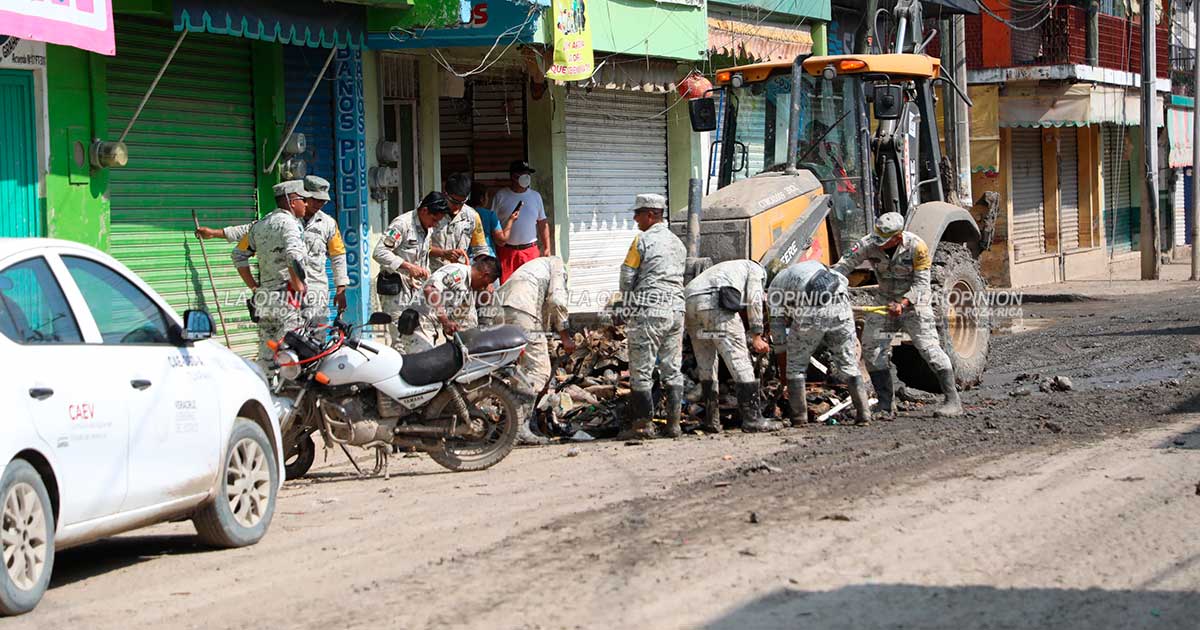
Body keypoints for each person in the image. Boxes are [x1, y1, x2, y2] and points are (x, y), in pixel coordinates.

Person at [833, 211, 962, 417]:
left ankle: (953, 400)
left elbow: (922, 284)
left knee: (929, 349)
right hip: (884, 301)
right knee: (872, 349)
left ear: (898, 237)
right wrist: (827, 281)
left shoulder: (917, 247)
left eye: (885, 241)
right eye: (878, 240)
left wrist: (903, 303)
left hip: (914, 303)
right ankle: (885, 405)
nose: (879, 245)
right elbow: (843, 265)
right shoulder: (868, 243)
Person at [195, 175, 348, 325]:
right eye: (315, 199)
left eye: (323, 201)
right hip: (287, 296)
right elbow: (250, 230)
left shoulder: (328, 223)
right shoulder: (280, 221)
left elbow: (338, 255)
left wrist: (341, 289)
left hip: (316, 293)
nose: (319, 204)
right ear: (302, 196)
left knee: (317, 340)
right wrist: (215, 233)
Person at [768, 259, 872, 426]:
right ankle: (864, 414)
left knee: (796, 367)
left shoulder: (775, 285)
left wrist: (782, 360)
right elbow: (842, 280)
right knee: (848, 363)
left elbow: (776, 325)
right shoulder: (812, 264)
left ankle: (799, 418)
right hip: (841, 305)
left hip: (812, 310)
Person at [683, 259, 780, 433]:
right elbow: (754, 298)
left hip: (689, 302)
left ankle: (711, 420)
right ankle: (753, 419)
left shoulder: (729, 267)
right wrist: (757, 335)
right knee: (739, 360)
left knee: (706, 362)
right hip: (713, 303)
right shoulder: (756, 270)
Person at [618, 193, 686, 439]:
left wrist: (626, 305)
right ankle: (674, 425)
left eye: (637, 214)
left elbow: (627, 277)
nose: (635, 219)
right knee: (672, 368)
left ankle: (643, 426)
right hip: (677, 311)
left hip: (649, 311)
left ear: (650, 215)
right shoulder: (678, 243)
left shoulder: (641, 240)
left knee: (641, 370)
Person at [489, 256, 576, 445]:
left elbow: (543, 314)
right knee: (537, 372)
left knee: (519, 372)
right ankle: (519, 429)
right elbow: (556, 302)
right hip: (522, 309)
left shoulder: (537, 269)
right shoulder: (558, 266)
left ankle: (509, 423)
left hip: (502, 308)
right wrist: (565, 337)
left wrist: (550, 345)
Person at [231, 180, 308, 367]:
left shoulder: (261, 225)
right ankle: (289, 392)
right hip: (287, 296)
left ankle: (266, 388)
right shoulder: (290, 224)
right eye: (302, 199)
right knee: (290, 353)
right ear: (291, 201)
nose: (306, 204)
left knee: (267, 350)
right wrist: (298, 285)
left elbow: (238, 255)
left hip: (265, 298)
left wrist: (255, 288)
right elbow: (294, 256)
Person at [373, 192, 449, 353]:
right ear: (424, 211)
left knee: (420, 333)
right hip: (396, 289)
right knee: (401, 336)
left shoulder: (426, 227)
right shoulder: (402, 224)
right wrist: (408, 266)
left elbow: (423, 254)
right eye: (434, 220)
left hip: (416, 289)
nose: (435, 225)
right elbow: (379, 252)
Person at [417, 255, 500, 345]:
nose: (483, 288)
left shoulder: (468, 286)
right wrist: (445, 321)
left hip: (433, 326)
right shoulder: (458, 273)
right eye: (485, 284)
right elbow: (430, 289)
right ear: (485, 275)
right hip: (420, 322)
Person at [491, 160, 550, 282]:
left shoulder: (535, 196)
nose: (526, 177)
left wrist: (547, 247)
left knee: (531, 287)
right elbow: (492, 222)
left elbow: (542, 222)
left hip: (530, 252)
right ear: (513, 176)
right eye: (523, 174)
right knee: (507, 288)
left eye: (528, 174)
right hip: (507, 253)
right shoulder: (501, 196)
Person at [429, 172, 490, 271]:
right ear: (445, 194)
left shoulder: (472, 216)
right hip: (432, 273)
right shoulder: (430, 211)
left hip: (458, 275)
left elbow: (480, 250)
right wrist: (443, 253)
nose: (457, 206)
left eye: (462, 202)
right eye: (453, 201)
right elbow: (418, 244)